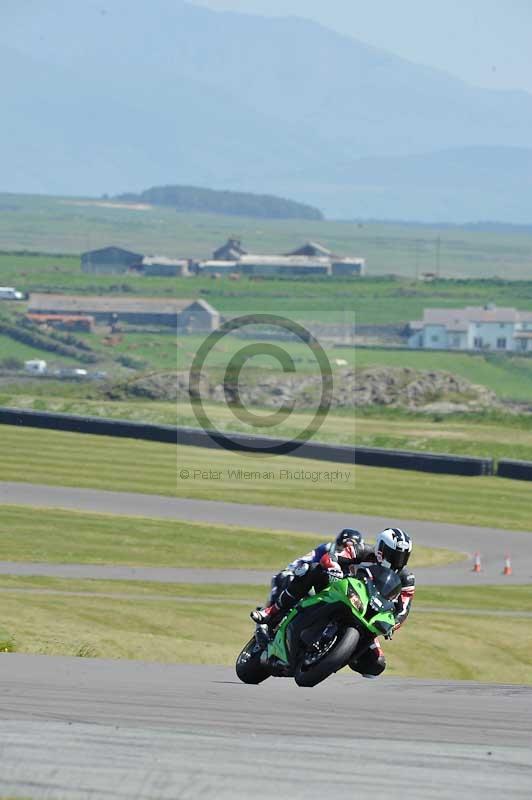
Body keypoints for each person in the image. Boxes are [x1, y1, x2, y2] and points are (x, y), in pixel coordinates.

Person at [251, 527, 415, 679]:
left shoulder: (406, 579)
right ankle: (272, 611)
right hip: (340, 590)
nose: (397, 560)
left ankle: (334, 657)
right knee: (311, 570)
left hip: (368, 614)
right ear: (380, 549)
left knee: (376, 665)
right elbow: (332, 557)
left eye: (402, 556)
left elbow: (403, 610)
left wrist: (392, 625)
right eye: (394, 555)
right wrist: (333, 567)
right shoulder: (363, 551)